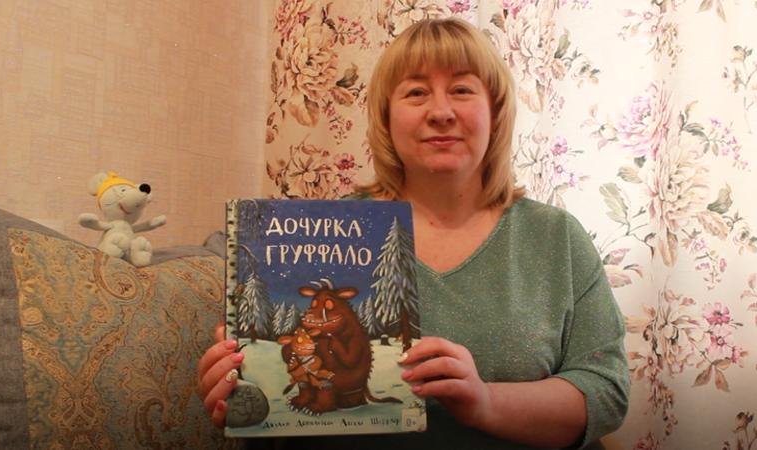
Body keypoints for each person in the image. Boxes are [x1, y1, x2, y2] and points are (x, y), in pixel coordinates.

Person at [198, 17, 629, 450]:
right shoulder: (312, 238)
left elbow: (605, 393)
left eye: (462, 90)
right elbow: (280, 410)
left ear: (495, 113)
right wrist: (242, 390)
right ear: (386, 117)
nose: (440, 112)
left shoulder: (555, 237)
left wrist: (486, 403)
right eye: (416, 92)